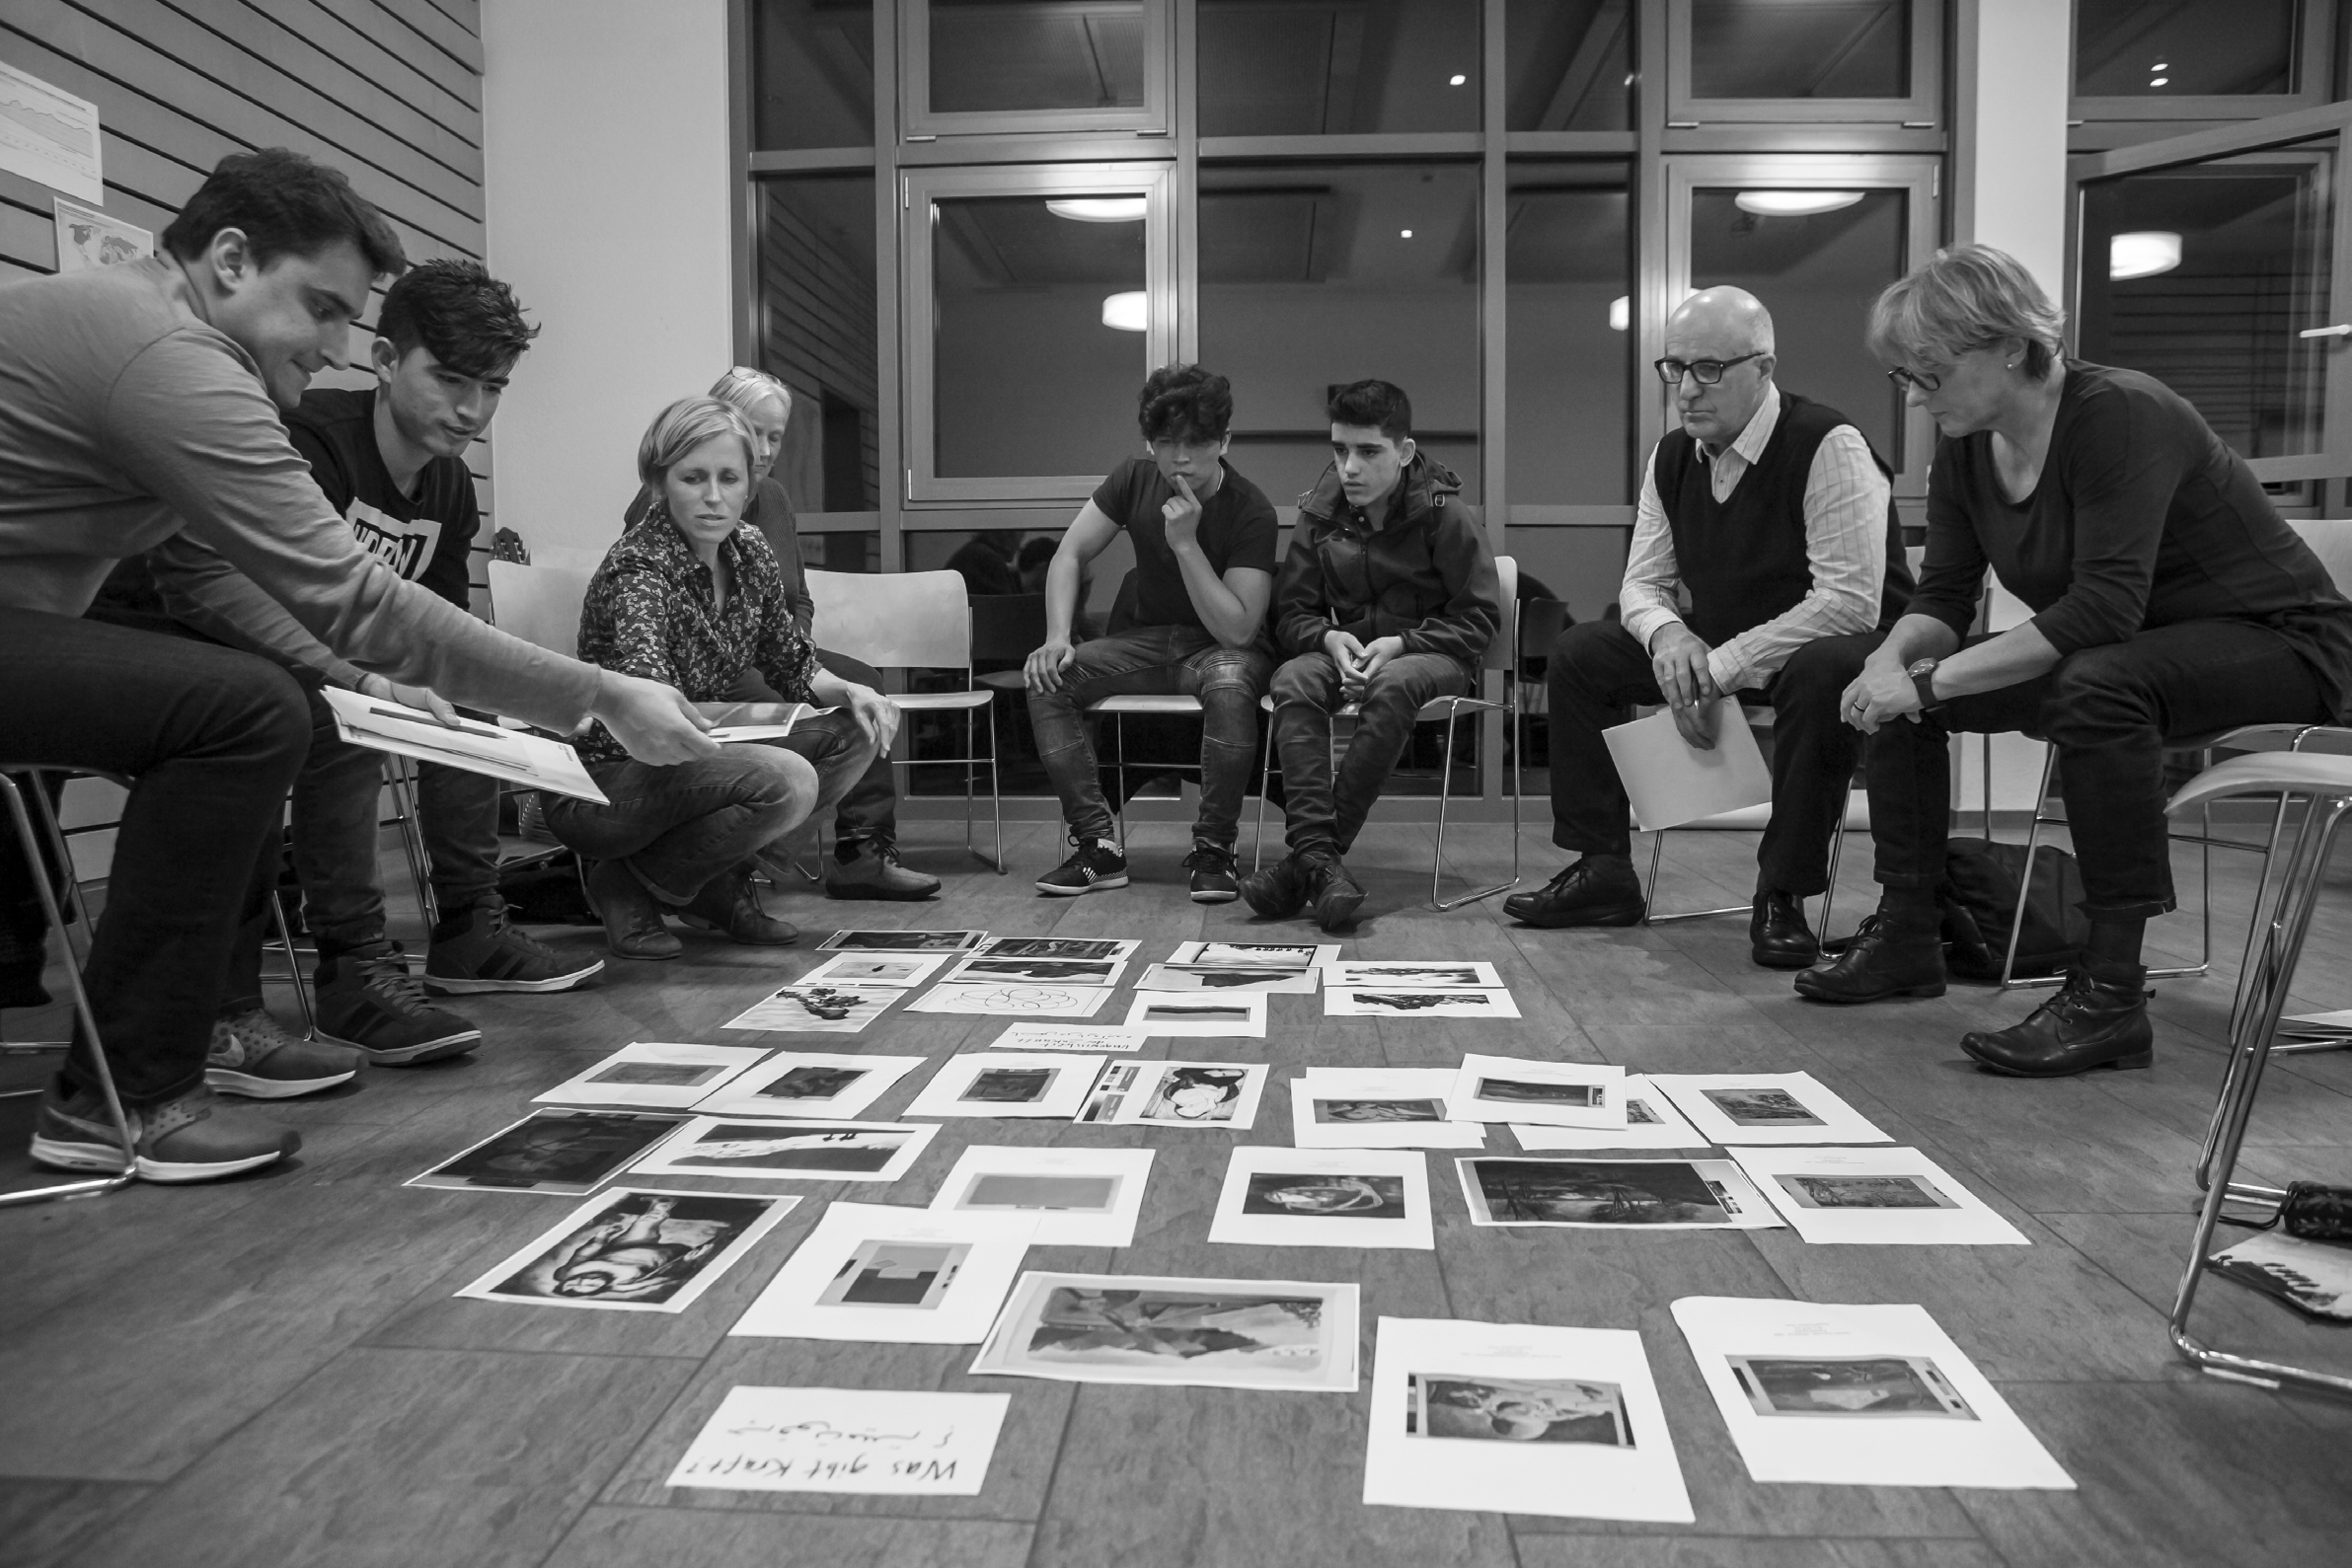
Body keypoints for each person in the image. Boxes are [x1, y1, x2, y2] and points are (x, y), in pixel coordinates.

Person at [0, 147, 712, 1183]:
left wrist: (369, 680)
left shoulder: (154, 334)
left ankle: (182, 1042)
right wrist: (595, 690)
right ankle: (129, 1096)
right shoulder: (172, 357)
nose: (338, 347)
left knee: (266, 699)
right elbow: (356, 596)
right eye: (323, 309)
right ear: (232, 260)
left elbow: (209, 569)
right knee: (242, 711)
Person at [1800, 243, 2352, 1076]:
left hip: (2285, 642)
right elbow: (1945, 594)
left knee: (2095, 686)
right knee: (1878, 676)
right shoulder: (1963, 438)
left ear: (2013, 348)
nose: (1916, 399)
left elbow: (2100, 609)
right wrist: (1888, 665)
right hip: (2134, 649)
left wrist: (1925, 683)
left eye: (1930, 374)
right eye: (1903, 379)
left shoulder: (2121, 413)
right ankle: (1909, 930)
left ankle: (2110, 995)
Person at [145, 259, 603, 1077]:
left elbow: (439, 626)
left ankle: (469, 928)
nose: (471, 408)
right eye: (450, 378)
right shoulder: (311, 440)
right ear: (386, 361)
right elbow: (247, 592)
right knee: (335, 715)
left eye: (492, 387)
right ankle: (353, 964)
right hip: (235, 648)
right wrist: (365, 681)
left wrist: (449, 689)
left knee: (464, 710)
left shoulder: (449, 485)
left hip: (347, 665)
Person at [1504, 287, 1913, 969]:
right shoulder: (1671, 456)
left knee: (1817, 672)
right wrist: (1670, 640)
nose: (1686, 389)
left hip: (1853, 647)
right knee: (1582, 653)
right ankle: (1603, 868)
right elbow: (1641, 583)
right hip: (1731, 638)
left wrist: (1713, 670)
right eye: (1674, 369)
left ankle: (1781, 891)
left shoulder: (1827, 444)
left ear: (1763, 367)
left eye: (1709, 369)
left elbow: (1847, 602)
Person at [548, 397, 900, 957]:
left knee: (858, 730)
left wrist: (854, 690)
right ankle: (627, 884)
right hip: (604, 781)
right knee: (787, 777)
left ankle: (710, 882)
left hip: (691, 753)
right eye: (694, 477)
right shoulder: (638, 564)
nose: (714, 497)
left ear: (750, 485)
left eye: (729, 478)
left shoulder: (750, 550)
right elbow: (651, 702)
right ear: (661, 484)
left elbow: (792, 663)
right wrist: (742, 739)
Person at [623, 368, 937, 902]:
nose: (765, 449)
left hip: (767, 649)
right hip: (705, 667)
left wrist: (796, 651)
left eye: (776, 436)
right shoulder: (658, 519)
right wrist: (777, 658)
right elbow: (658, 635)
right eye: (755, 431)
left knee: (861, 687)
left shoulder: (771, 502)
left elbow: (797, 597)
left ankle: (855, 851)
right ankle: (726, 867)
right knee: (818, 724)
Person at [1239, 379, 1500, 931]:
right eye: (1339, 450)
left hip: (1435, 656)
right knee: (1293, 677)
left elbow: (1478, 620)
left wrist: (1403, 643)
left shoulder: (1444, 515)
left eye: (1368, 451)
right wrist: (1329, 640)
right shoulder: (1321, 513)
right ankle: (1318, 860)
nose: (1349, 467)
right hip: (1350, 652)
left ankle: (1306, 862)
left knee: (1396, 682)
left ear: (1404, 453)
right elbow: (1293, 617)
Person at [1024, 365, 1279, 901]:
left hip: (1216, 649)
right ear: (1150, 442)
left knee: (1231, 681)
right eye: (1166, 443)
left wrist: (1185, 543)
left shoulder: (1249, 508)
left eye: (1195, 443)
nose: (1180, 458)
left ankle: (1215, 850)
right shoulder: (1133, 479)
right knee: (1049, 676)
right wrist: (1057, 635)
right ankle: (1098, 848)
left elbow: (1237, 629)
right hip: (1148, 641)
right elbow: (1069, 553)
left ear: (1224, 441)